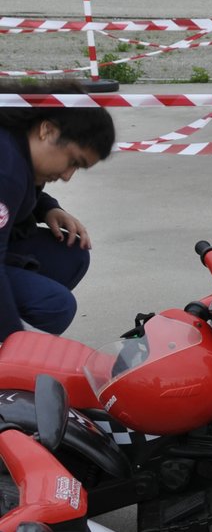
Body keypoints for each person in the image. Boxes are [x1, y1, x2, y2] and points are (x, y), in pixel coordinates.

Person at [0, 85, 112, 341]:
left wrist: (47, 207)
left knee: (72, 255)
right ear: (47, 130)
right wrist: (16, 342)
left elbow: (22, 181)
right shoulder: (5, 170)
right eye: (73, 161)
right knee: (56, 305)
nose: (66, 176)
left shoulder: (17, 139)